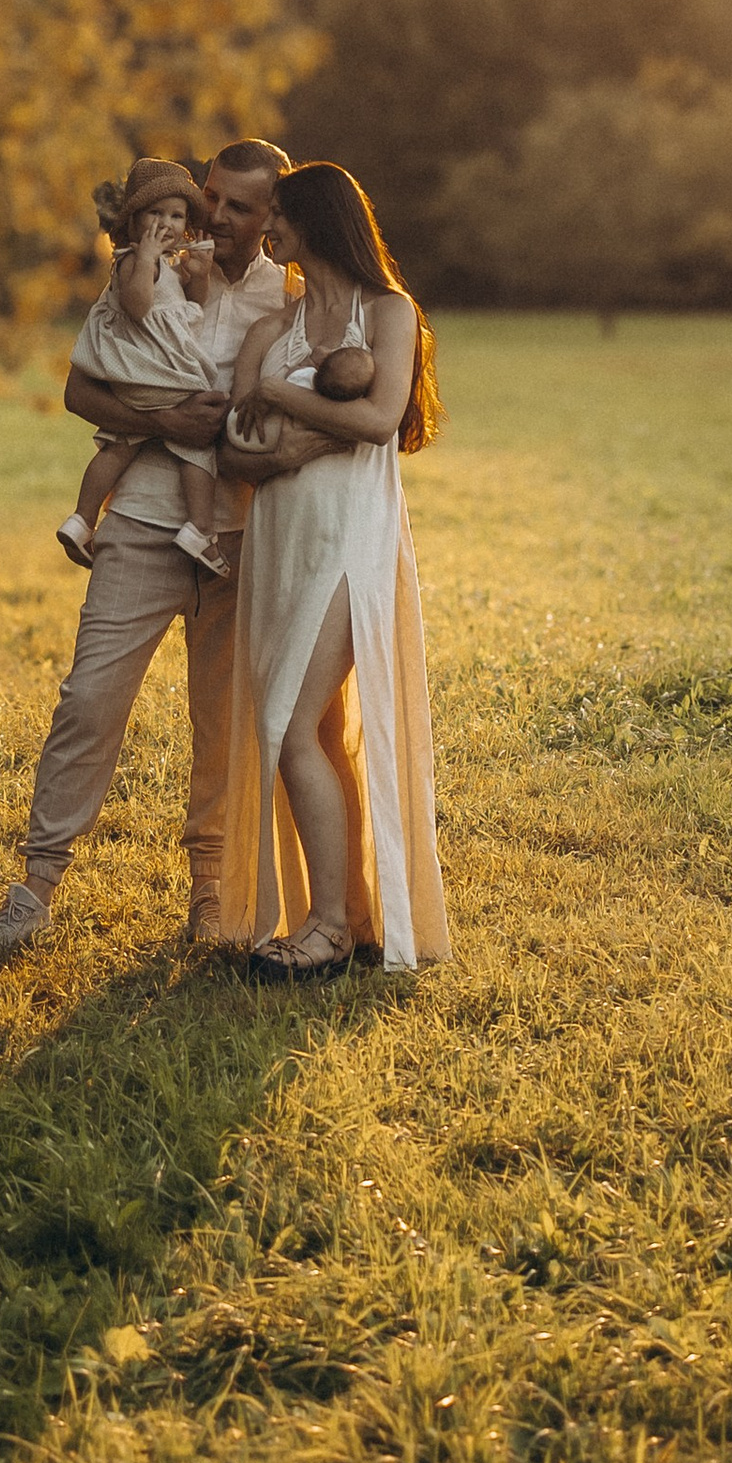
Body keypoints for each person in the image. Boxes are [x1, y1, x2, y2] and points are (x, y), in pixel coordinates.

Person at [0, 139, 318, 963]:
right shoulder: (147, 270)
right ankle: (35, 889)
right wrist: (168, 422)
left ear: (274, 218)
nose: (218, 219)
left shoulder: (294, 299)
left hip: (242, 543)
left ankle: (210, 895)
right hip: (141, 526)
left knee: (223, 726)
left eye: (241, 207)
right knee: (89, 699)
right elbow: (79, 387)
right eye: (212, 200)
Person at [220, 161, 449, 980]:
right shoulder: (267, 333)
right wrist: (317, 427)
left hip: (350, 542)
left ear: (314, 220)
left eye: (276, 214)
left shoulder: (389, 311)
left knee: (287, 723)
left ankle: (321, 930)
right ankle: (349, 917)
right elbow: (237, 449)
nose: (264, 228)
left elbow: (383, 417)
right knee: (311, 730)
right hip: (280, 546)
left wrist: (285, 408)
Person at [56, 156, 233, 576]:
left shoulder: (161, 265)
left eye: (176, 215)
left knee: (119, 443)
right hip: (156, 376)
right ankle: (201, 530)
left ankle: (82, 519)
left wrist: (200, 274)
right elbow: (138, 308)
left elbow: (193, 307)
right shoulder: (135, 260)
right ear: (133, 221)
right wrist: (149, 256)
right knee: (198, 444)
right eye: (155, 213)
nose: (167, 224)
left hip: (138, 381)